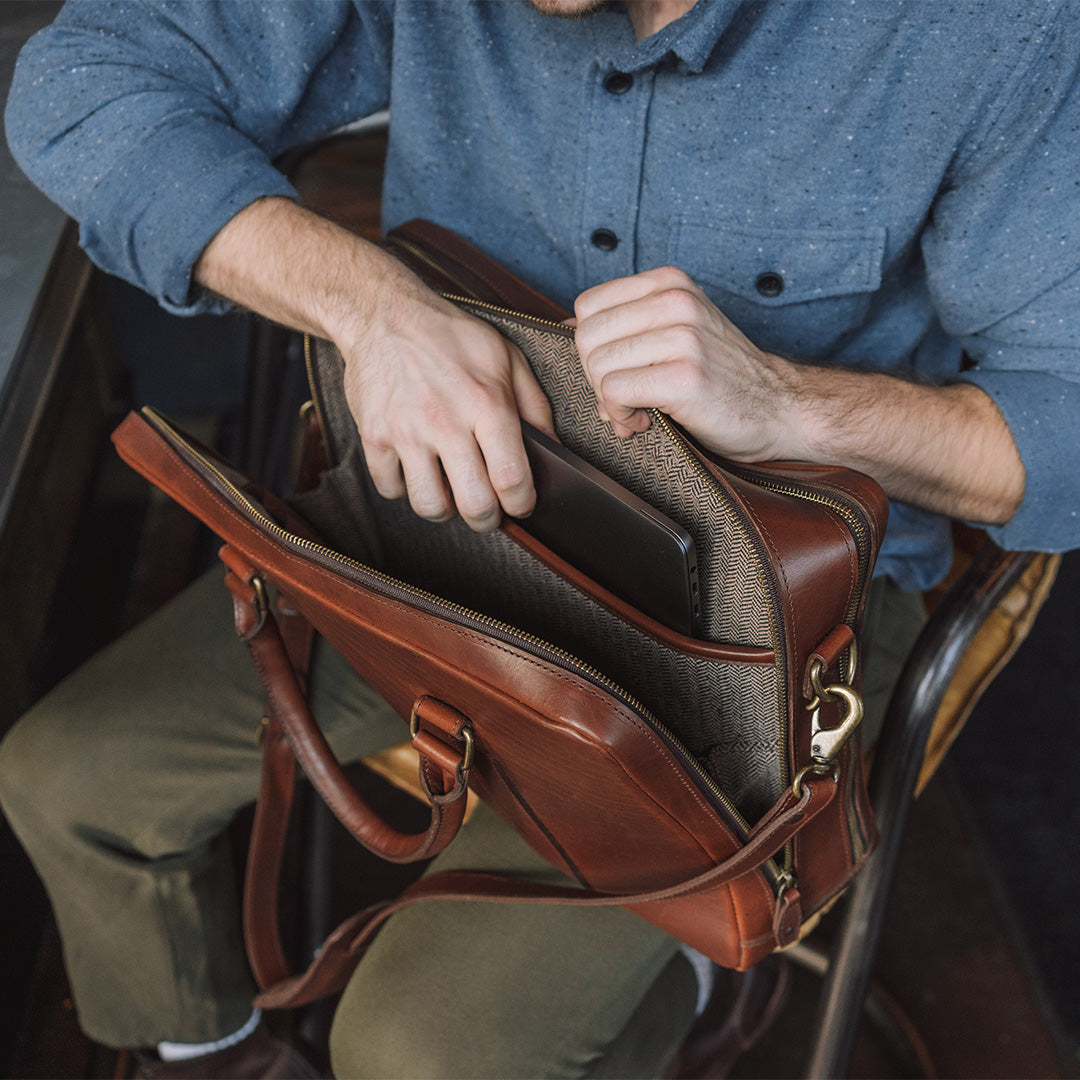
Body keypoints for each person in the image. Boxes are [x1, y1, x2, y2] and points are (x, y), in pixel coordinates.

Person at [2, 0, 1079, 1076]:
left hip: (751, 648)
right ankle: (217, 1055)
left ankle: (686, 983)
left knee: (421, 1049)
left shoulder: (985, 30)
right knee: (68, 778)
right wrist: (375, 308)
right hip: (445, 533)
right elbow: (83, 83)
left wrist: (794, 406)